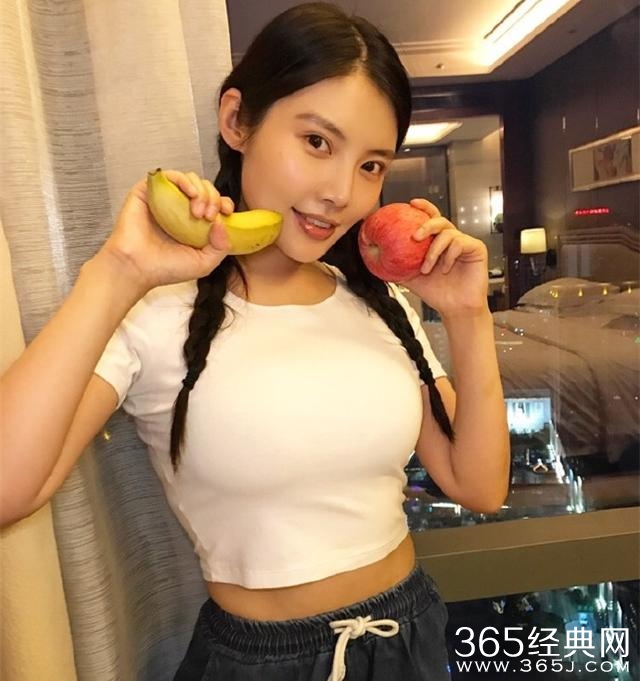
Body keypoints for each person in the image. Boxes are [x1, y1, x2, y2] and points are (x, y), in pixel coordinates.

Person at [0, 3, 509, 679]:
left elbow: (479, 485)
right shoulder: (156, 308)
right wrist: (118, 271)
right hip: (258, 663)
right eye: (318, 142)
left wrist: (469, 315)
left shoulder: (381, 304)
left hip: (408, 638)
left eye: (371, 165)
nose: (341, 192)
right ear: (237, 120)